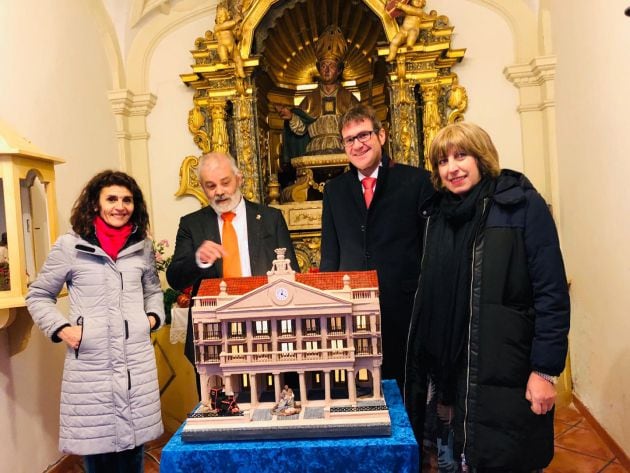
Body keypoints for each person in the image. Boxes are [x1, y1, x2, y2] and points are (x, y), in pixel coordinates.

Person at [404, 122, 570, 471]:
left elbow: (551, 293)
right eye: (443, 161)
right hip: (450, 377)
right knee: (453, 460)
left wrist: (545, 371)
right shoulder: (436, 215)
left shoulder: (521, 205)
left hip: (504, 371)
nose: (453, 168)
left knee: (505, 460)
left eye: (461, 155)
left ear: (481, 157)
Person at [26, 171, 165, 473]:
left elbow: (154, 291)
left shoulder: (142, 247)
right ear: (95, 204)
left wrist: (151, 319)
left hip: (135, 367)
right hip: (92, 370)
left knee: (133, 455)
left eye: (127, 200)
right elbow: (38, 295)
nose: (120, 206)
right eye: (112, 198)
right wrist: (62, 329)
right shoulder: (69, 246)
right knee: (98, 456)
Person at [319, 104, 434, 388]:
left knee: (406, 390)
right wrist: (327, 307)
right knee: (357, 389)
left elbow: (429, 251)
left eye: (364, 135)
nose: (357, 145)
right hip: (351, 311)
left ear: (381, 136)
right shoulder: (334, 190)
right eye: (349, 140)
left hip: (403, 308)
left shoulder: (417, 181)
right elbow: (330, 255)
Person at [166, 152, 297, 384]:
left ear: (239, 178)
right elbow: (175, 278)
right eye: (211, 185)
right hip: (215, 335)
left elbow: (291, 274)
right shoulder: (192, 224)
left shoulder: (271, 218)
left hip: (268, 330)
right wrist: (199, 259)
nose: (219, 191)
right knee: (218, 408)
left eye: (225, 182)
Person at [276, 25, 359, 160]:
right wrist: (291, 116)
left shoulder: (349, 98)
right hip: (314, 153)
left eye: (331, 66)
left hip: (343, 151)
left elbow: (359, 127)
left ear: (339, 70)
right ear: (318, 68)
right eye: (323, 65)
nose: (326, 70)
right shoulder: (310, 99)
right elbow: (301, 129)